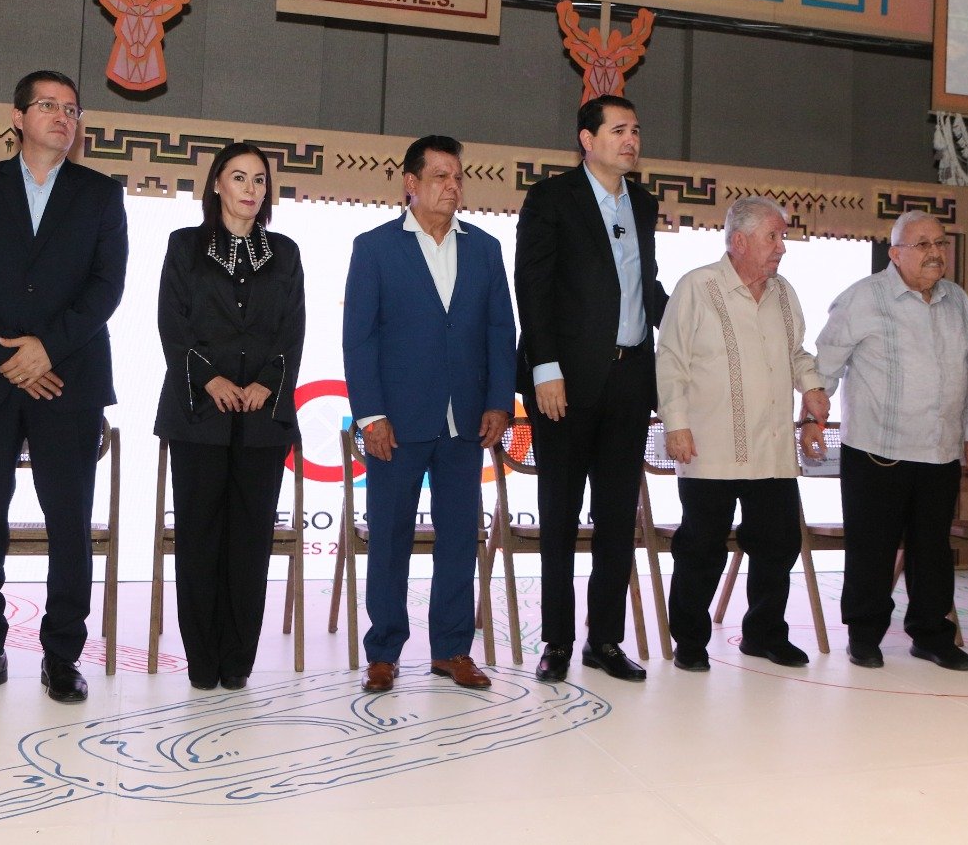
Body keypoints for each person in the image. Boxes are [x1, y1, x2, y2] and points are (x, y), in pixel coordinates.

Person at [0, 70, 128, 705]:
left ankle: (62, 656)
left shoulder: (101, 194)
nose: (62, 116)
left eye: (72, 109)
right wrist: (8, 356)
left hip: (68, 377)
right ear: (18, 117)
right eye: (48, 105)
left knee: (69, 520)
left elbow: (107, 286)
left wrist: (47, 348)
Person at [342, 135, 515, 693]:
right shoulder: (374, 248)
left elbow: (500, 332)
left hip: (466, 420)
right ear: (410, 184)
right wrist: (370, 415)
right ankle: (383, 652)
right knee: (389, 537)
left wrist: (499, 401)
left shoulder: (485, 248)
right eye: (440, 176)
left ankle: (452, 650)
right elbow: (360, 338)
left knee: (461, 535)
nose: (452, 186)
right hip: (395, 421)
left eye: (458, 177)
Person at [515, 94, 669, 683]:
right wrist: (544, 368)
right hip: (565, 382)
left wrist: (694, 316)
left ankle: (604, 640)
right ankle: (557, 640)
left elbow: (645, 287)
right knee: (559, 515)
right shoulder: (553, 198)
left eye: (636, 130)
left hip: (631, 378)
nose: (631, 140)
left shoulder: (643, 203)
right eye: (619, 130)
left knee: (616, 516)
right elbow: (533, 285)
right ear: (587, 139)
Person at [155, 142, 305, 690]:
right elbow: (172, 324)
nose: (250, 189)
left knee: (249, 544)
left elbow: (293, 329)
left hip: (263, 421)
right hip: (199, 415)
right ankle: (202, 663)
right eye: (239, 177)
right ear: (217, 182)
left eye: (259, 180)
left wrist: (266, 382)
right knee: (198, 541)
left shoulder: (284, 253)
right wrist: (211, 378)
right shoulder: (185, 246)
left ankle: (238, 663)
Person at [657, 197, 829, 672]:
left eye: (783, 237)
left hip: (772, 450)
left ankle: (764, 635)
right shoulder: (697, 286)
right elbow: (670, 359)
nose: (782, 247)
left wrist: (812, 386)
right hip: (710, 446)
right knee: (701, 549)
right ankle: (690, 642)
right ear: (739, 241)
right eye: (773, 237)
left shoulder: (784, 292)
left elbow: (797, 352)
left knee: (779, 545)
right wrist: (676, 424)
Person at [812, 209, 968, 671]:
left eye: (940, 243)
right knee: (871, 549)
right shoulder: (862, 298)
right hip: (877, 450)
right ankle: (864, 636)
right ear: (895, 253)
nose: (934, 253)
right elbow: (825, 364)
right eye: (922, 244)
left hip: (940, 449)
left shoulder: (958, 302)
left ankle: (931, 635)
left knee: (932, 550)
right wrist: (812, 419)